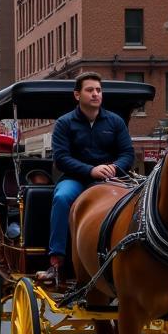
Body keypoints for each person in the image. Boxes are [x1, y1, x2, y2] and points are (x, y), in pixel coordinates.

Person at [41, 72, 134, 288]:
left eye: (98, 91)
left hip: (109, 180)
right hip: (75, 179)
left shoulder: (115, 121)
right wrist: (91, 170)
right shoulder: (65, 123)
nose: (95, 94)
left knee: (131, 200)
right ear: (77, 95)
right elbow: (61, 158)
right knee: (62, 198)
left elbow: (127, 154)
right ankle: (57, 262)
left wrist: (114, 167)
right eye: (90, 90)